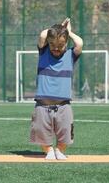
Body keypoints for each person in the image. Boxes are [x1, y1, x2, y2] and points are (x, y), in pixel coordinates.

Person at [30, 18, 83, 160]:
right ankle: (48, 150)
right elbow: (42, 35)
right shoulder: (43, 53)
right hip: (42, 105)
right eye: (52, 44)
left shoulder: (70, 55)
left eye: (60, 45)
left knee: (65, 131)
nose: (56, 48)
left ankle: (59, 150)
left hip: (63, 105)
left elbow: (79, 43)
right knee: (41, 131)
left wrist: (68, 32)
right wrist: (57, 29)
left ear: (66, 43)